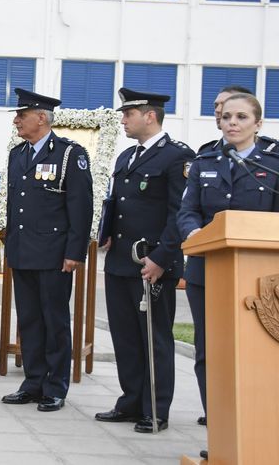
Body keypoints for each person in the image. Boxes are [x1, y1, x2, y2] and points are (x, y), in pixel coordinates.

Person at [94, 88, 195, 433]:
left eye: (128, 114)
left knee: (155, 339)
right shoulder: (126, 157)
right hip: (122, 262)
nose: (123, 120)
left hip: (152, 265)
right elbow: (116, 204)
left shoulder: (177, 157)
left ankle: (155, 409)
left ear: (149, 115)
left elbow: (179, 214)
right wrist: (104, 234)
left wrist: (161, 260)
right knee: (125, 337)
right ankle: (131, 401)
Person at [177, 93, 279, 434]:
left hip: (261, 279)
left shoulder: (273, 163)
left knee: (257, 354)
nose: (232, 123)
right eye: (226, 118)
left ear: (258, 124)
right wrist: (196, 235)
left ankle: (257, 432)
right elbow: (188, 211)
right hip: (207, 273)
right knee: (210, 353)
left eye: (241, 117)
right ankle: (219, 432)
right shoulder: (205, 161)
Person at [0, 88, 92, 412]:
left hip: (54, 255)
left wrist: (74, 253)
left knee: (55, 321)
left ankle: (55, 386)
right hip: (24, 251)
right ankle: (33, 381)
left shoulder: (69, 155)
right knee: (28, 320)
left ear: (41, 117)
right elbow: (16, 205)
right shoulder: (18, 154)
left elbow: (81, 208)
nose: (16, 121)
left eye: (21, 115)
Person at [198, 85, 276, 155]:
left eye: (225, 104)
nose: (218, 110)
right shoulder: (206, 151)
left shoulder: (273, 150)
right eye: (216, 105)